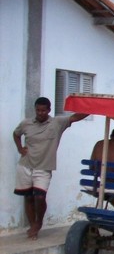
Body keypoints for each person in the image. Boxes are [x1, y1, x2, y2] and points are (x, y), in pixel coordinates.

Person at [13, 96, 88, 240]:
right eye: (38, 110)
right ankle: (32, 226)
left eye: (43, 110)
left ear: (49, 110)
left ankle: (38, 222)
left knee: (40, 197)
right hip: (25, 165)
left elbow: (74, 117)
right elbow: (16, 134)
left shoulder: (57, 123)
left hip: (44, 167)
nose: (40, 113)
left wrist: (91, 108)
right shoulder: (26, 123)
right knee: (28, 197)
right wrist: (20, 149)